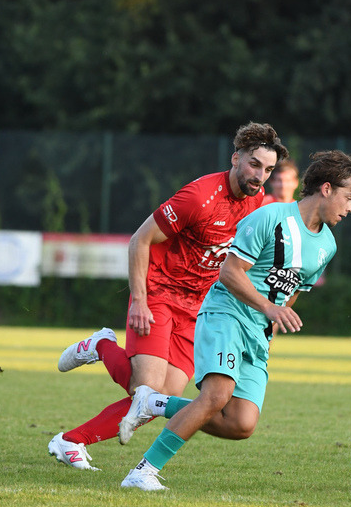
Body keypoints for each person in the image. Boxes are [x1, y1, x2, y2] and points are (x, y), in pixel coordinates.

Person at [118, 149, 351, 491]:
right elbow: (229, 273)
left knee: (241, 424)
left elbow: (293, 289)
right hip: (226, 314)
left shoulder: (327, 246)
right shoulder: (270, 218)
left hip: (258, 332)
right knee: (217, 395)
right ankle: (143, 472)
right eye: (348, 197)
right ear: (326, 188)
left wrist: (274, 320)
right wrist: (268, 308)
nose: (350, 208)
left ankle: (154, 402)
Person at [48, 122, 288, 471]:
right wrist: (141, 299)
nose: (260, 175)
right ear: (236, 158)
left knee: (157, 401)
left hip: (199, 308)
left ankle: (70, 441)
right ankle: (101, 346)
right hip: (160, 290)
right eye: (254, 164)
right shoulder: (199, 196)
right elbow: (140, 240)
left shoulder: (259, 207)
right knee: (144, 387)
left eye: (267, 169)